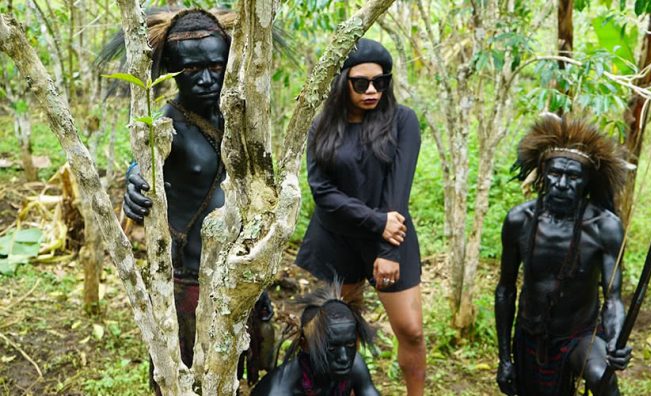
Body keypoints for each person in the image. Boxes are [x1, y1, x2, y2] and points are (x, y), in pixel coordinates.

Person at [106, 8, 273, 391]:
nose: (205, 79)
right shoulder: (167, 123)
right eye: (190, 71)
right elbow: (143, 164)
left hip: (238, 272)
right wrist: (135, 184)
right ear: (170, 70)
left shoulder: (242, 115)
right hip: (188, 279)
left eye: (215, 66)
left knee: (235, 370)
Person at [294, 38, 426, 395]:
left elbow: (397, 192)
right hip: (337, 238)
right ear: (342, 84)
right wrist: (376, 220)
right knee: (335, 330)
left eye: (380, 82)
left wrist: (389, 250)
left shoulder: (402, 121)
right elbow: (322, 193)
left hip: (389, 238)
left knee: (411, 330)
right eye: (361, 83)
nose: (372, 90)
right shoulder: (321, 126)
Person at [495, 114, 633, 395]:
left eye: (572, 176)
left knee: (601, 378)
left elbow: (613, 298)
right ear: (543, 172)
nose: (561, 183)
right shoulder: (520, 220)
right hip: (530, 333)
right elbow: (505, 290)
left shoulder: (604, 227)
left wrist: (616, 341)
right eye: (555, 173)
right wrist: (505, 359)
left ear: (586, 181)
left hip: (580, 334)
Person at [252, 283, 380, 395]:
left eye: (350, 345)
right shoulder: (279, 391)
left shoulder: (354, 365)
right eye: (331, 347)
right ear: (305, 344)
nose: (344, 357)